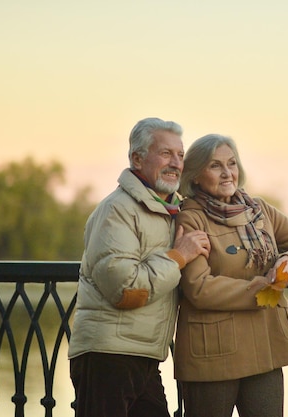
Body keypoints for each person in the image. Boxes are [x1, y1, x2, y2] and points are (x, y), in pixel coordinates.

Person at [173, 133, 288, 417]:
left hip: (266, 345)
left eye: (231, 164)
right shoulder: (190, 218)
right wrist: (260, 290)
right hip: (214, 353)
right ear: (195, 176)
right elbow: (198, 287)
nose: (226, 173)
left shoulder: (259, 211)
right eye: (215, 166)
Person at [68, 117, 211, 417]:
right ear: (137, 158)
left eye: (180, 155)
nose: (175, 163)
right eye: (165, 153)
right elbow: (125, 289)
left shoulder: (171, 211)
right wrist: (179, 257)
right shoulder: (116, 210)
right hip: (107, 356)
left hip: (144, 356)